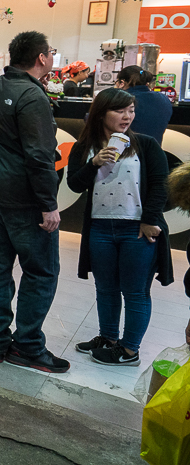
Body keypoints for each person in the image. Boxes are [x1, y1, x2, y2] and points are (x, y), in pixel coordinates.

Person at [0, 31, 68, 373]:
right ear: (42, 57)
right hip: (24, 200)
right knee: (41, 272)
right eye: (51, 53)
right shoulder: (32, 95)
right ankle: (27, 345)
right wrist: (48, 203)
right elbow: (39, 156)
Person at [66, 88, 172, 367]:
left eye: (131, 110)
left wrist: (150, 219)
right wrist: (94, 163)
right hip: (100, 229)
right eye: (120, 111)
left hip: (136, 230)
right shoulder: (85, 146)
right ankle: (110, 339)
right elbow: (74, 184)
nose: (128, 116)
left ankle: (129, 350)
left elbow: (162, 184)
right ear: (102, 113)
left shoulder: (146, 145)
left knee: (135, 291)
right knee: (106, 288)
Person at [116, 66, 172, 145]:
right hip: (155, 152)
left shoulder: (122, 99)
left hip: (126, 152)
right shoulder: (163, 98)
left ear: (122, 83)